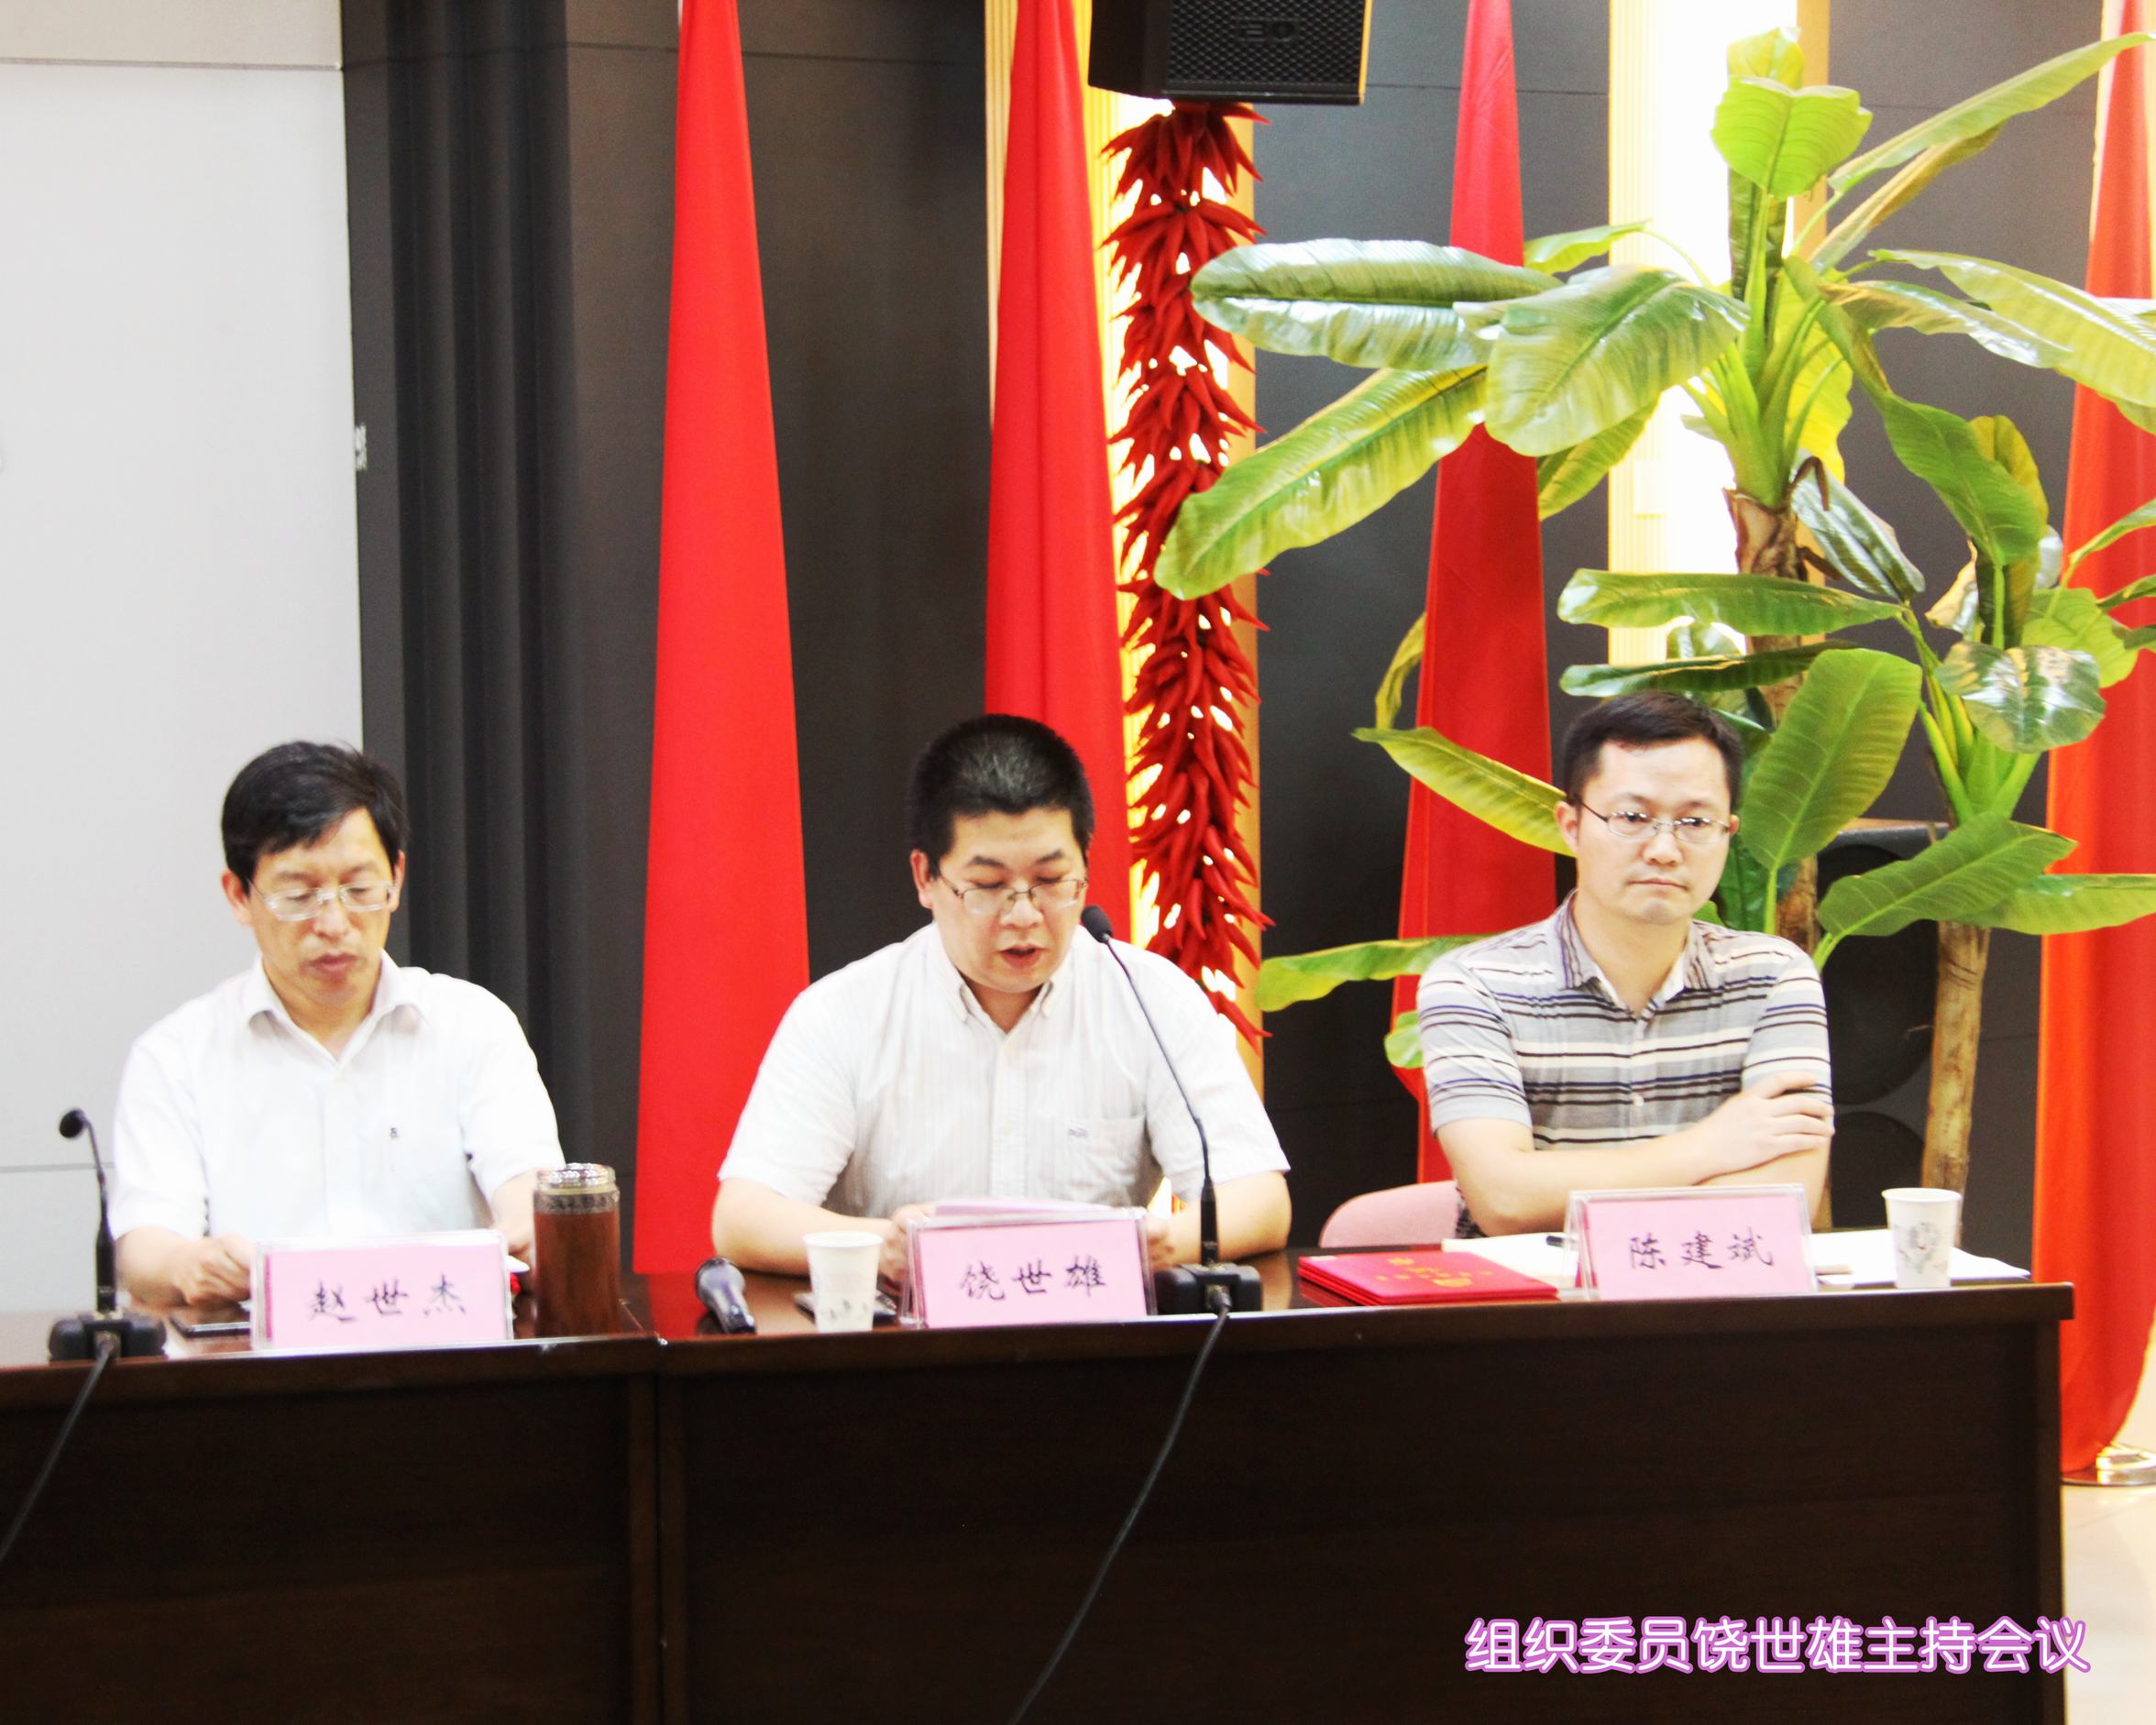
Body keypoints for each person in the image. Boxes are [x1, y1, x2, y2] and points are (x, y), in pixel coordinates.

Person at [712, 714, 1292, 1281]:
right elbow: (744, 1218)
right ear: (925, 877)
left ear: (1086, 866)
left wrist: (1154, 1246)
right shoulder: (844, 1013)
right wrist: (884, 1248)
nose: (1023, 915)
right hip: (903, 1336)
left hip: (1094, 1331)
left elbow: (1260, 1201)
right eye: (989, 886)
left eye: (1051, 881)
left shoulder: (1152, 999)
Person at [111, 742, 566, 1306]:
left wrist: (528, 1233)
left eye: (359, 889)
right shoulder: (176, 1055)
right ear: (239, 896)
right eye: (298, 895)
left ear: (396, 878)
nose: (333, 923)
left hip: (441, 1345)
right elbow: (147, 1246)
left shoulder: (472, 1025)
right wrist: (188, 1265)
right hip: (255, 1352)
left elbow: (529, 1190)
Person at [1416, 692, 1832, 1238]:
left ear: (1728, 834)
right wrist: (1710, 1147)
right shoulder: (1475, 985)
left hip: (1715, 1289)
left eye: (1695, 821)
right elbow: (1504, 1200)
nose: (1664, 849)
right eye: (1633, 817)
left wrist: (1561, 1191)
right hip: (1532, 1294)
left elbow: (1783, 1200)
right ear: (1571, 825)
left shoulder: (1775, 977)